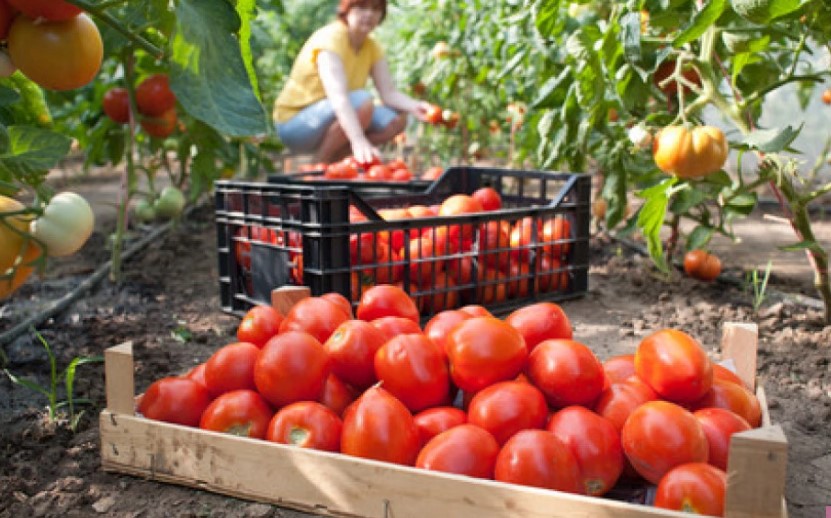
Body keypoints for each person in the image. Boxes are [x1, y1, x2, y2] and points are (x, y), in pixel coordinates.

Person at [273, 0, 433, 165]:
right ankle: (319, 166)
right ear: (346, 10)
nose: (369, 14)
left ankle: (337, 165)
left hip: (332, 117)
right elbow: (338, 98)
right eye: (362, 7)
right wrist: (358, 139)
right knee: (363, 102)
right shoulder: (331, 38)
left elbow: (389, 93)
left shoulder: (372, 46)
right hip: (295, 125)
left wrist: (418, 107)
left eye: (375, 9)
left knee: (396, 120)